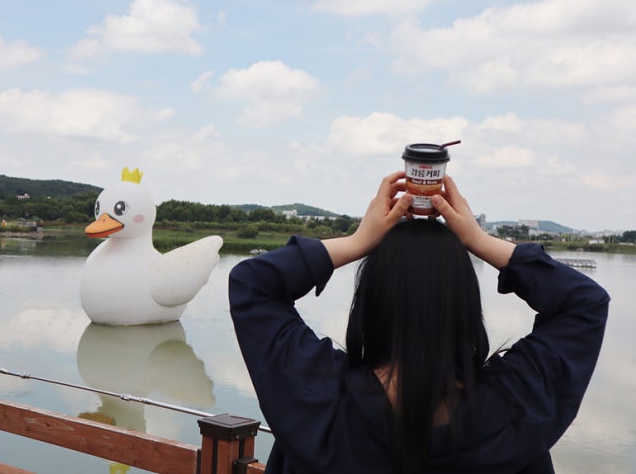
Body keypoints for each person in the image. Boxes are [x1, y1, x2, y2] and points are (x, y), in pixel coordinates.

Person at [228, 172, 609, 474]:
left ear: (371, 300)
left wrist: (359, 241)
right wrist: (478, 239)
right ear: (465, 304)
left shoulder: (317, 399)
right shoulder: (517, 407)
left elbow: (253, 282)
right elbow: (583, 302)